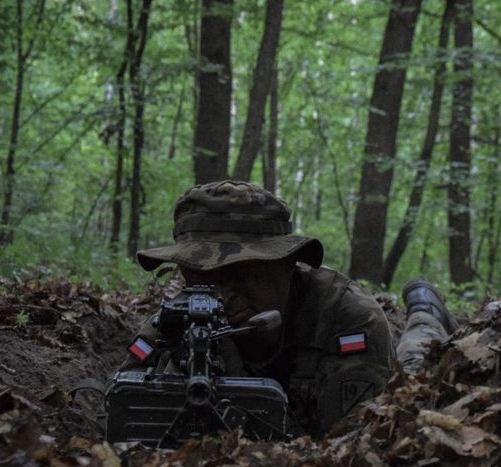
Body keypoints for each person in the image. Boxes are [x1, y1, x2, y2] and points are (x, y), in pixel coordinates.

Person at [122, 180, 394, 436]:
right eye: (202, 279)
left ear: (287, 265)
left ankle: (423, 309)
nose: (223, 295)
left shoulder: (347, 319)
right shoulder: (180, 321)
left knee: (419, 349)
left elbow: (353, 445)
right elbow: (117, 419)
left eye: (242, 275)